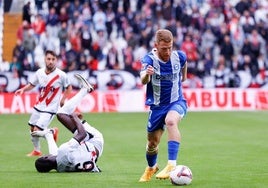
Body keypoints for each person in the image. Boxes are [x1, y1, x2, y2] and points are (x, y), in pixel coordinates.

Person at [138, 29, 188, 182]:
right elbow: (142, 80)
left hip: (176, 102)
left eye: (170, 47)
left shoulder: (179, 57)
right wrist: (148, 74)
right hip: (157, 107)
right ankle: (152, 167)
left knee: (171, 121)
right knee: (152, 143)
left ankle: (172, 165)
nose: (167, 52)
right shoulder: (149, 60)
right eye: (164, 48)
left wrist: (181, 78)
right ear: (156, 45)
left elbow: (184, 71)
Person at [34, 74, 104, 173]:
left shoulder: (61, 169)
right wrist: (74, 117)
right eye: (45, 156)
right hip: (95, 140)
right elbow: (82, 134)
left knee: (58, 152)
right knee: (61, 114)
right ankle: (85, 89)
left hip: (93, 155)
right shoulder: (63, 151)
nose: (46, 154)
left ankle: (49, 135)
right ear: (45, 158)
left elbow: (56, 154)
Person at [15, 50, 72, 157]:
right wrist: (23, 89)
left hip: (50, 109)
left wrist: (63, 99)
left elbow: (69, 87)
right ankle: (37, 150)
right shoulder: (39, 72)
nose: (51, 61)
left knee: (37, 130)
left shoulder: (61, 75)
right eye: (48, 59)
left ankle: (51, 132)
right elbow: (32, 84)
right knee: (32, 130)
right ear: (45, 60)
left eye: (53, 59)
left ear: (56, 60)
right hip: (39, 106)